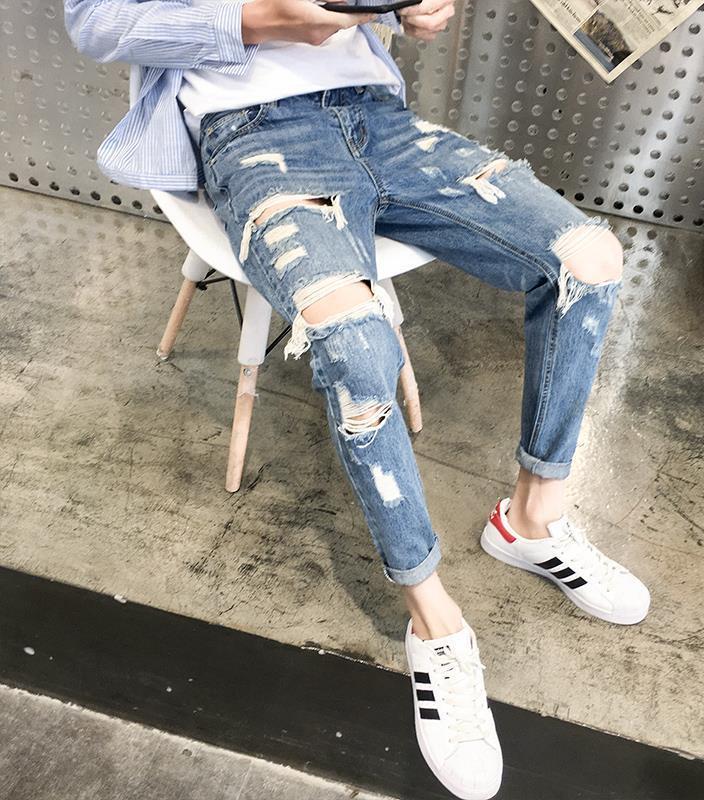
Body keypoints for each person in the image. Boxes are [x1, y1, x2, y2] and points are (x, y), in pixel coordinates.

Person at [64, 1, 651, 797]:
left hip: (376, 117)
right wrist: (260, 20)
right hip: (252, 136)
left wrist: (413, 10)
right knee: (357, 343)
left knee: (590, 260)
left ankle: (531, 520)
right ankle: (434, 621)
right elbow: (95, 22)